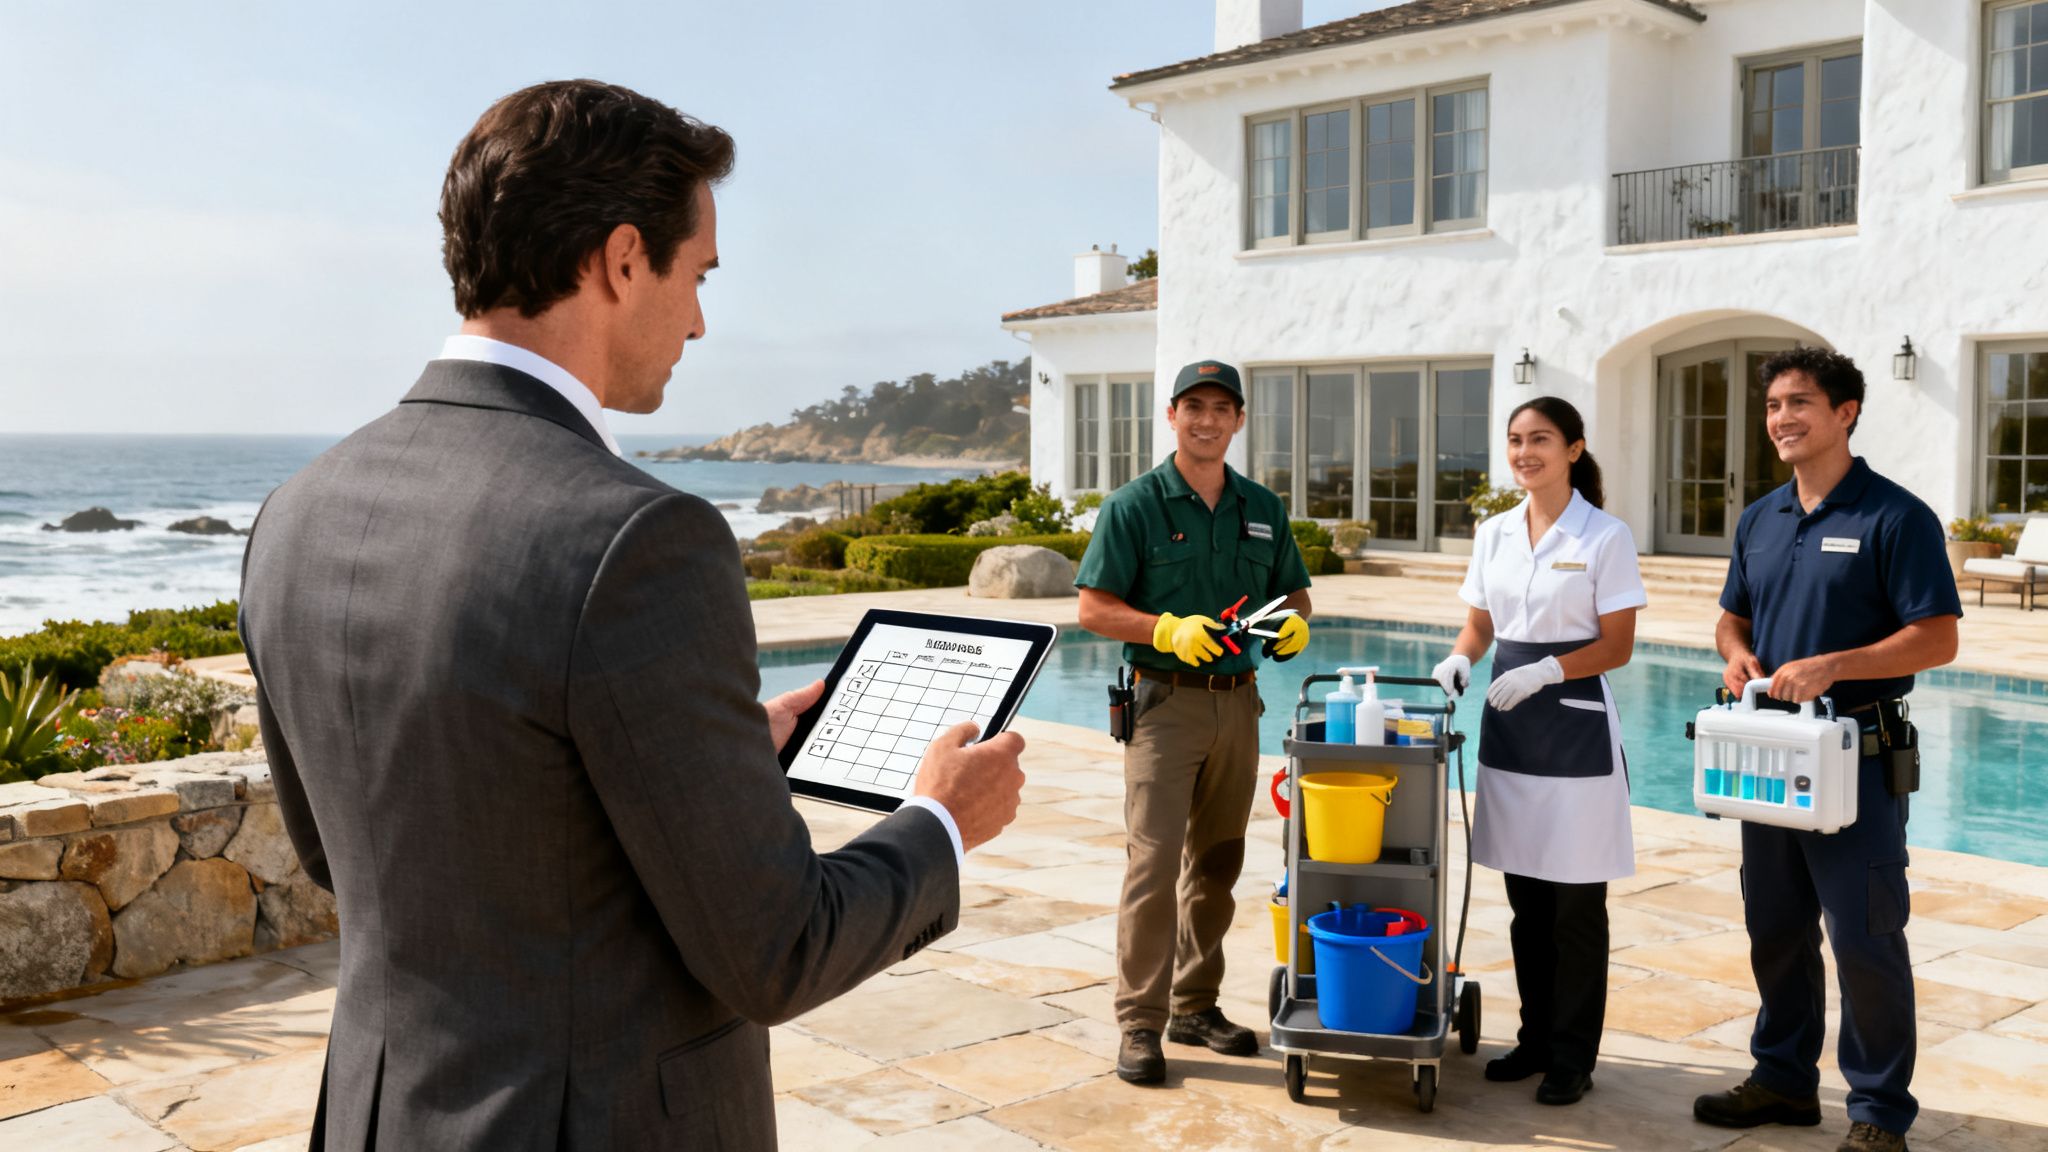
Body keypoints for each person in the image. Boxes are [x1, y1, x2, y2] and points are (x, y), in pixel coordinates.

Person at [238, 80, 1027, 1150]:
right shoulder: (638, 538)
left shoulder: (297, 511)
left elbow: (356, 852)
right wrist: (940, 820)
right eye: (697, 274)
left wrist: (691, 766)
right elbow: (779, 949)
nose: (699, 319)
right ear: (620, 261)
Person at [1692, 347, 1959, 1152]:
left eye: (1800, 402)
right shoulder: (1761, 518)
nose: (1782, 418)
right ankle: (1782, 1079)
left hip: (1859, 762)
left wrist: (1833, 666)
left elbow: (1937, 638)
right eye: (1774, 405)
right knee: (1774, 926)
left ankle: (1878, 1112)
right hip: (1769, 756)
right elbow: (1732, 616)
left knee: (1864, 937)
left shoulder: (1895, 517)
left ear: (1846, 413)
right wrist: (1735, 652)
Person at [1073, 359, 1313, 1085]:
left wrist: (1293, 624)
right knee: (1153, 864)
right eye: (1194, 407)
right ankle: (1140, 1023)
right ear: (1172, 415)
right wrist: (1165, 629)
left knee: (1218, 861)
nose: (1207, 420)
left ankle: (1194, 1006)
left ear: (1238, 419)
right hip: (1164, 703)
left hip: (1239, 702)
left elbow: (1294, 595)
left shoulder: (1261, 506)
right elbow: (1094, 608)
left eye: (1221, 408)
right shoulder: (1134, 506)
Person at [1430, 396, 1644, 1108]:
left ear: (1574, 449)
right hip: (1512, 729)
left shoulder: (1605, 535)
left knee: (1575, 906)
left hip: (1575, 730)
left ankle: (1573, 1056)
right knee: (1526, 902)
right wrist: (1460, 658)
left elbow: (1618, 645)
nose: (1525, 452)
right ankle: (1535, 1039)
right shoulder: (1494, 532)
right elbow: (1479, 625)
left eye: (1541, 439)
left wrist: (1549, 670)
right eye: (1516, 440)